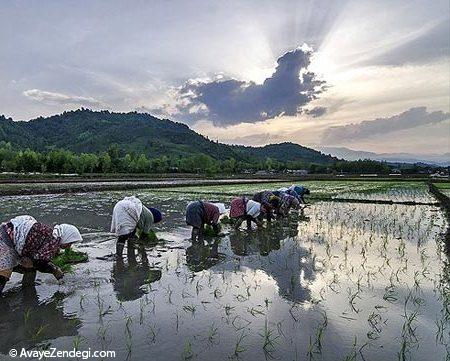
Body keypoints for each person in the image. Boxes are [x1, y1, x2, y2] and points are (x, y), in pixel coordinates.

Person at [0, 215, 83, 294]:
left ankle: (27, 291)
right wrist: (54, 270)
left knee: (30, 267)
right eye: (70, 243)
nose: (69, 246)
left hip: (8, 234)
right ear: (66, 236)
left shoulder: (50, 234)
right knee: (4, 272)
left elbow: (35, 259)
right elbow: (39, 263)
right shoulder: (53, 240)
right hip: (4, 240)